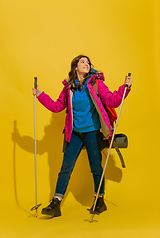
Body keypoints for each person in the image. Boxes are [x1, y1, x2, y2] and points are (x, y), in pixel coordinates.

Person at [32, 55, 132, 217]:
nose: (86, 64)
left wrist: (125, 88)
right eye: (82, 62)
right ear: (75, 67)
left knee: (96, 167)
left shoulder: (96, 83)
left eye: (88, 62)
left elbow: (112, 101)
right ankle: (56, 202)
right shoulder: (69, 88)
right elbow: (57, 106)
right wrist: (39, 95)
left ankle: (99, 200)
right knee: (66, 167)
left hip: (93, 131)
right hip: (75, 133)